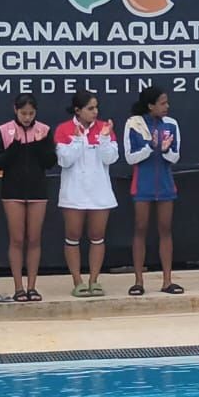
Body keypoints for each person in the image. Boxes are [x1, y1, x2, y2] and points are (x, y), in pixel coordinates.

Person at [0, 93, 57, 302]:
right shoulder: (4, 130)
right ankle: (18, 287)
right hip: (12, 191)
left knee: (34, 239)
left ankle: (32, 286)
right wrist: (15, 146)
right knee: (17, 239)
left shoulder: (44, 130)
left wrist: (38, 144)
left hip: (37, 190)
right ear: (15, 110)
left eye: (31, 113)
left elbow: (50, 162)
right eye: (23, 113)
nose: (27, 117)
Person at [56, 90, 119, 297]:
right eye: (90, 108)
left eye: (96, 108)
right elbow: (64, 161)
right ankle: (77, 281)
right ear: (78, 110)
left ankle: (94, 280)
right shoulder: (64, 130)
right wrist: (76, 141)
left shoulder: (104, 128)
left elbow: (110, 159)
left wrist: (103, 139)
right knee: (72, 237)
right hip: (73, 193)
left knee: (97, 237)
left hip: (99, 192)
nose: (95, 112)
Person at [123, 87, 183, 295]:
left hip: (166, 185)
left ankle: (167, 280)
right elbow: (130, 158)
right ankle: (138, 281)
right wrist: (151, 146)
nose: (167, 107)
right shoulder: (134, 123)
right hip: (143, 185)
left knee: (165, 230)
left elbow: (175, 157)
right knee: (140, 229)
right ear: (150, 106)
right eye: (162, 103)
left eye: (167, 103)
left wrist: (165, 150)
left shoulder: (172, 124)